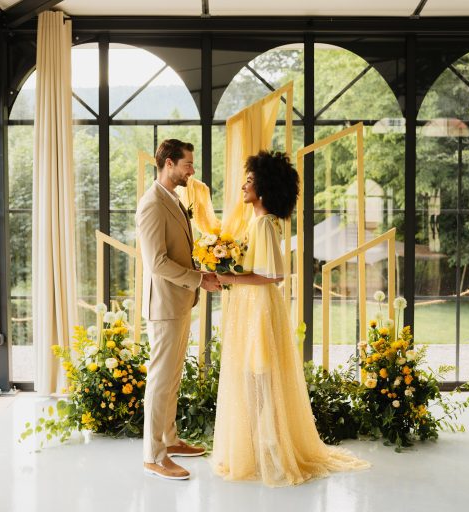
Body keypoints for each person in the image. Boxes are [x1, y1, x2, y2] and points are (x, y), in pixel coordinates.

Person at [211, 150, 369, 487]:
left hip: (259, 307)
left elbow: (274, 275)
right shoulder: (257, 222)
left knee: (261, 378)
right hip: (250, 305)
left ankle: (272, 450)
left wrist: (230, 278)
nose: (243, 186)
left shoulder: (265, 224)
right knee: (252, 379)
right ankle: (258, 448)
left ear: (264, 188)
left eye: (249, 181)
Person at [136, 139, 222, 480]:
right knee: (159, 382)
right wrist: (199, 279)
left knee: (171, 378)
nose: (192, 170)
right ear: (168, 164)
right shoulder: (152, 204)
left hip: (180, 301)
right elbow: (156, 262)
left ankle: (169, 440)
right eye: (187, 164)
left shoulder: (174, 197)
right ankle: (153, 456)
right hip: (165, 305)